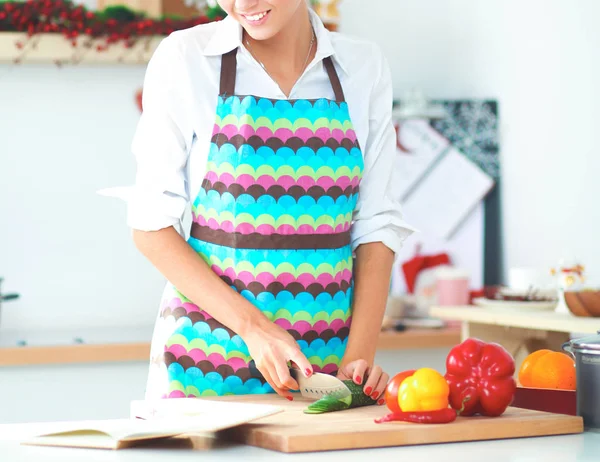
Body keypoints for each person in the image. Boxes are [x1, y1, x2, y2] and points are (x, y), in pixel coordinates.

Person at [124, 0, 415, 403]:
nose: (243, 3)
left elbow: (376, 225)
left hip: (326, 370)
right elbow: (150, 226)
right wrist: (254, 329)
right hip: (205, 364)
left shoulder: (363, 67)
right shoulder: (187, 59)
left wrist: (359, 357)